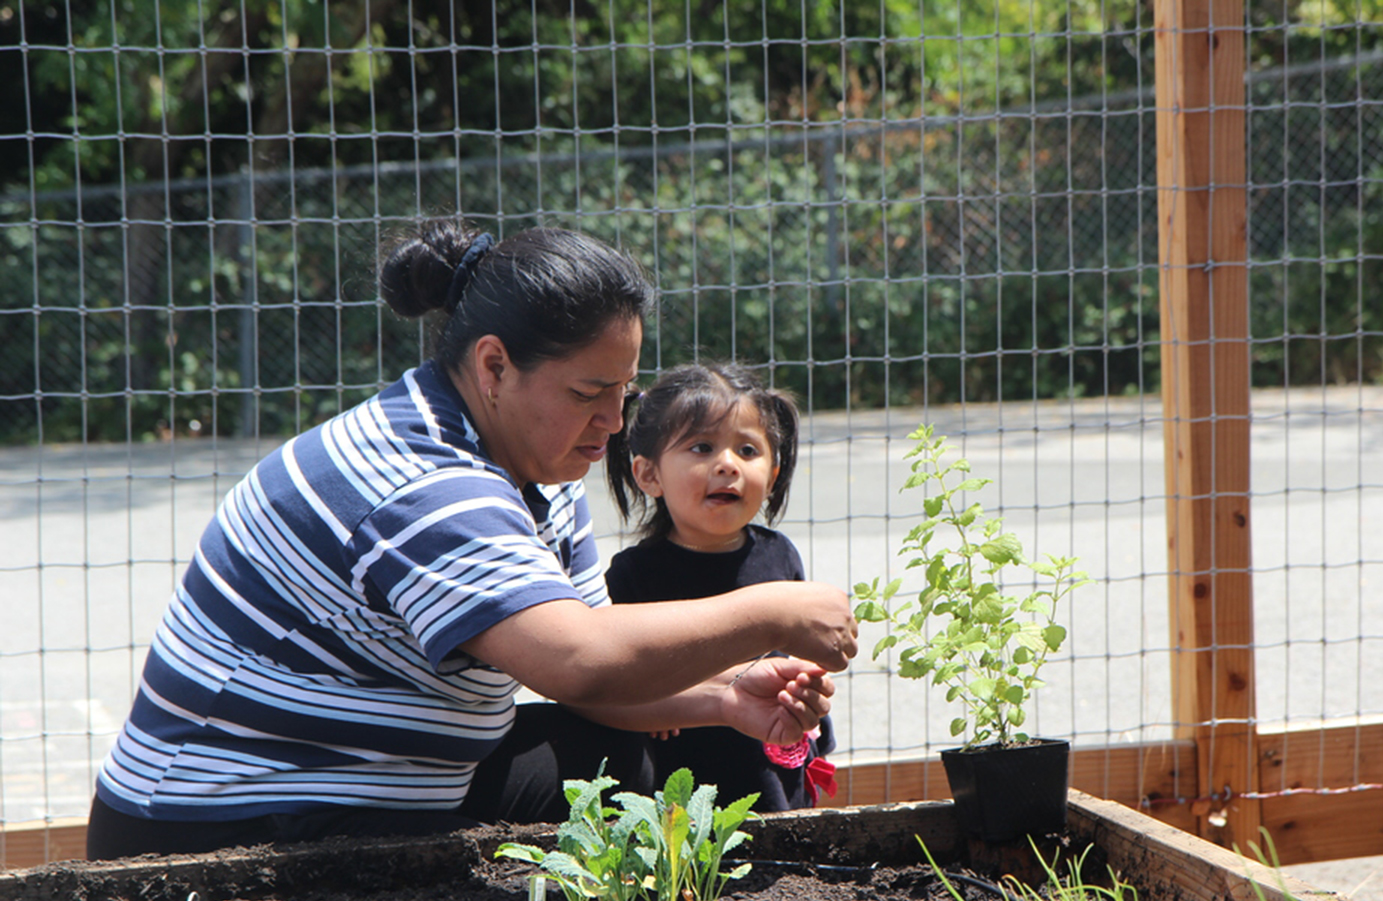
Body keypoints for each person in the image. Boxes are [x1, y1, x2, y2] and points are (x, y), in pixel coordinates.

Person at [86, 222, 857, 861]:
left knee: (608, 759)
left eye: (624, 391)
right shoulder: (423, 479)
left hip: (362, 782)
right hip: (225, 826)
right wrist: (772, 611)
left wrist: (725, 701)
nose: (616, 423)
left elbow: (589, 668)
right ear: (494, 365)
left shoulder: (537, 464)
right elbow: (580, 659)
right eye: (589, 393)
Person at [603, 362, 837, 811]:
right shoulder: (634, 575)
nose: (728, 465)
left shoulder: (779, 555)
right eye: (703, 447)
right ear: (649, 475)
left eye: (748, 450)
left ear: (771, 476)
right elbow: (616, 678)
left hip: (768, 759)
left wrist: (809, 709)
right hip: (676, 774)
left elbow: (800, 658)